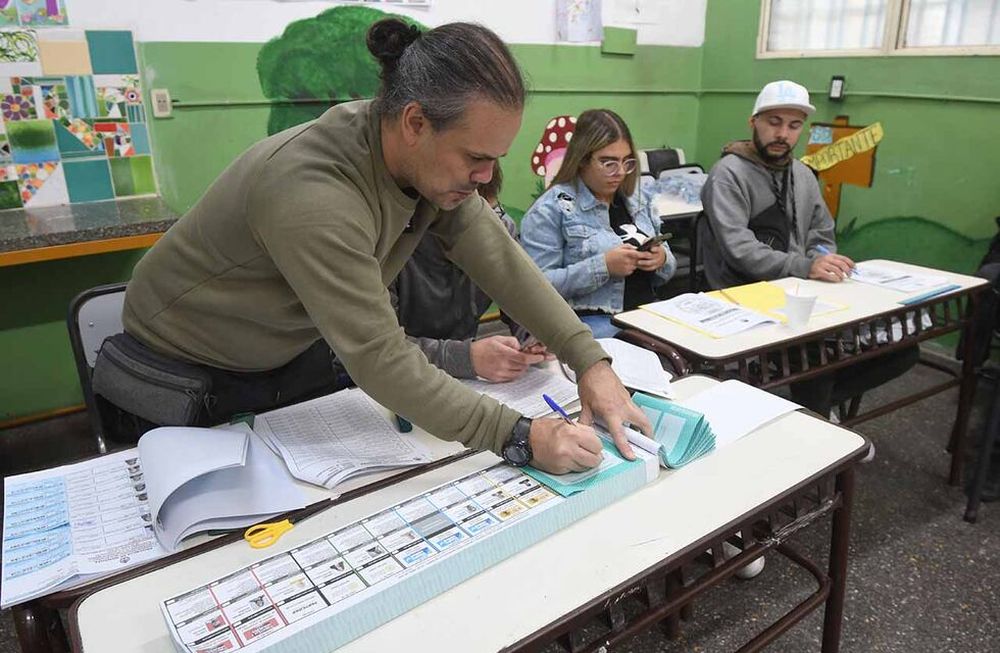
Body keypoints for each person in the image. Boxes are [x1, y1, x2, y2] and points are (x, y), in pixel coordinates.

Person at [106, 19, 650, 474]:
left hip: (280, 357)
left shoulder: (423, 162)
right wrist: (521, 437)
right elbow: (380, 356)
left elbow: (507, 266)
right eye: (475, 158)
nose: (486, 179)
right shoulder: (313, 191)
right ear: (415, 122)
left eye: (495, 160)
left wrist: (591, 364)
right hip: (184, 374)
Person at [698, 80, 918, 418]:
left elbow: (821, 230)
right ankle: (816, 419)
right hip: (746, 297)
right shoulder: (727, 175)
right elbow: (739, 250)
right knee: (814, 354)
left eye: (794, 125)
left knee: (903, 351)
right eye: (773, 122)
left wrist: (820, 259)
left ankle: (807, 412)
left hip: (800, 294)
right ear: (753, 121)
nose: (783, 133)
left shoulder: (802, 174)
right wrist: (805, 267)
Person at [521, 109, 676, 339]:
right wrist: (603, 267)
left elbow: (668, 268)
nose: (620, 172)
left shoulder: (637, 200)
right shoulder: (551, 209)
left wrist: (661, 258)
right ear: (582, 159)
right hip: (590, 321)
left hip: (644, 314)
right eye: (608, 163)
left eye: (627, 162)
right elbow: (536, 288)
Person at [389, 161, 546, 382]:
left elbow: (520, 298)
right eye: (478, 222)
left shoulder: (501, 226)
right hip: (389, 380)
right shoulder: (391, 245)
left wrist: (533, 333)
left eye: (494, 213)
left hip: (466, 377)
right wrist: (467, 358)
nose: (490, 231)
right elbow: (380, 349)